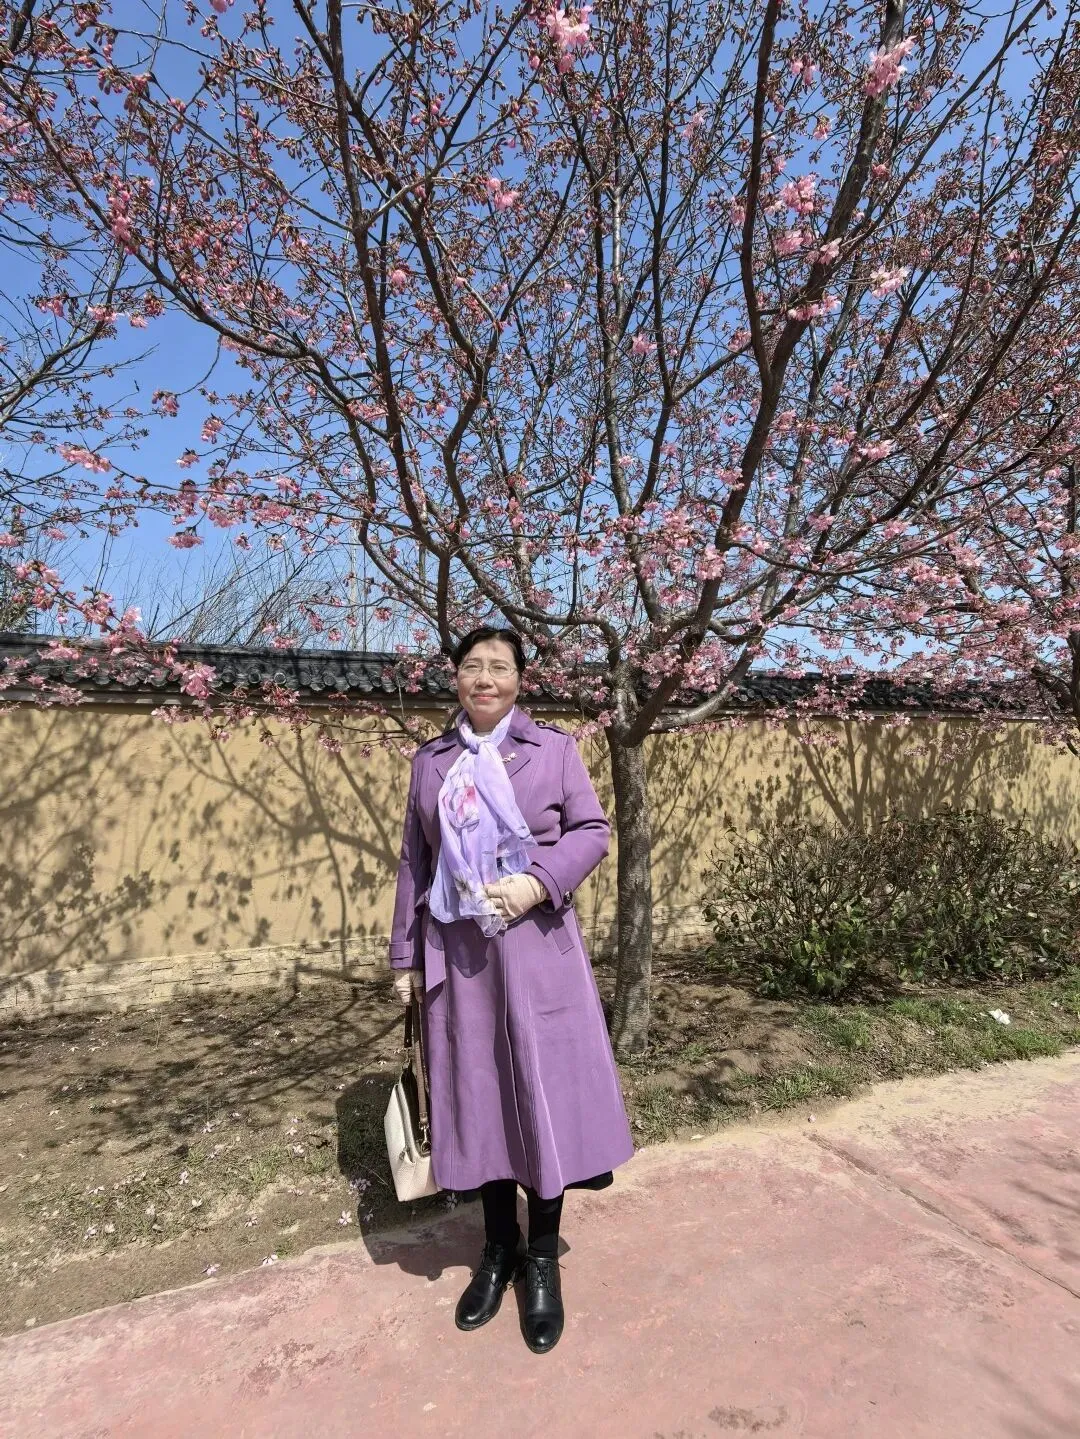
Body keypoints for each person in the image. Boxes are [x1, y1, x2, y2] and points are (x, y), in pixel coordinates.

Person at [387, 626, 635, 1354]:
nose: (485, 677)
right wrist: (405, 956)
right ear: (456, 678)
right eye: (472, 665)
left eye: (499, 666)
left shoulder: (553, 750)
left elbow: (592, 829)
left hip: (535, 948)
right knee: (482, 1097)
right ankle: (497, 1249)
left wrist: (538, 881)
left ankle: (541, 1257)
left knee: (538, 1095)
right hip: (460, 952)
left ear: (521, 679)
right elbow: (414, 861)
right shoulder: (431, 762)